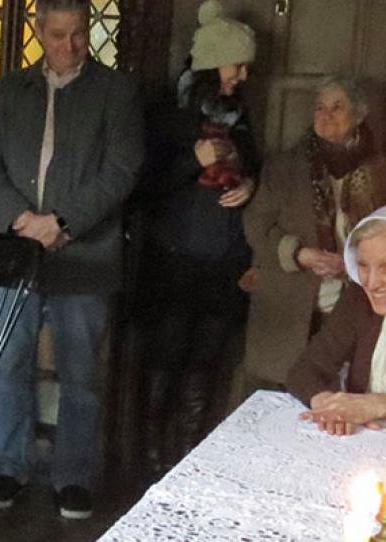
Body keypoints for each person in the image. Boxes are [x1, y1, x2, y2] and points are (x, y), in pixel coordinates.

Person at [0, 0, 144, 519]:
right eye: (58, 36)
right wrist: (21, 218)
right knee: (11, 364)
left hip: (85, 254)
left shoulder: (115, 90)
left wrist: (62, 221)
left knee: (81, 374)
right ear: (38, 32)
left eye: (78, 36)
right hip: (15, 252)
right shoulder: (11, 89)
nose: (69, 47)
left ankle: (73, 477)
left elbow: (121, 169)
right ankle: (10, 467)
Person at [136, 0, 259, 480]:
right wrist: (193, 157)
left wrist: (250, 185)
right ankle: (151, 461)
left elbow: (253, 169)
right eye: (237, 64)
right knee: (165, 361)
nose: (244, 75)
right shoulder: (167, 114)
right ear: (211, 64)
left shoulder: (240, 118)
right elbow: (142, 185)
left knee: (206, 366)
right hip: (173, 263)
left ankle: (186, 456)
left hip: (223, 264)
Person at [244, 76, 386, 391]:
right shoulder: (284, 166)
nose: (326, 115)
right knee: (287, 393)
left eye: (337, 107)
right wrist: (298, 254)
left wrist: (351, 263)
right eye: (320, 107)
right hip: (291, 302)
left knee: (349, 402)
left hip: (357, 302)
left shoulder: (380, 170)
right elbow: (255, 225)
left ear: (359, 114)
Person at [288, 206, 386, 436]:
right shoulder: (358, 298)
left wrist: (376, 405)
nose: (372, 283)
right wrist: (329, 405)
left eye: (385, 267)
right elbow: (306, 369)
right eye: (363, 266)